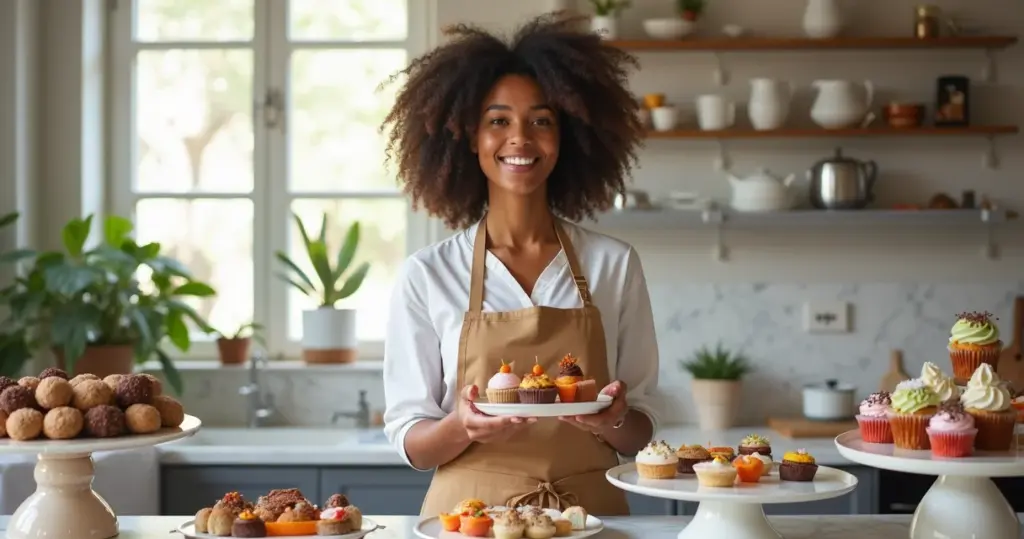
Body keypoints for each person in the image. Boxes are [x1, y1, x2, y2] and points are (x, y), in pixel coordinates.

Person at [379, 13, 660, 517]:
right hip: (468, 518)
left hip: (589, 518)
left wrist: (610, 419)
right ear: (469, 136)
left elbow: (640, 435)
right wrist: (461, 425)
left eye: (541, 120)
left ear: (565, 134)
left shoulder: (614, 264)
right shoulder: (429, 274)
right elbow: (413, 444)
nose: (520, 138)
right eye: (498, 120)